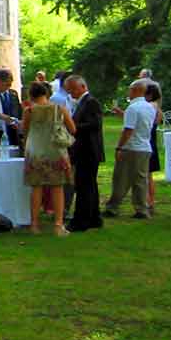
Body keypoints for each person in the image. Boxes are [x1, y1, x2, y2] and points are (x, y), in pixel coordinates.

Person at [21, 81, 76, 236]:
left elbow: (24, 131)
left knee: (36, 188)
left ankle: (34, 225)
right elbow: (73, 129)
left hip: (35, 152)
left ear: (31, 95)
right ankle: (58, 225)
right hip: (56, 152)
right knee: (57, 188)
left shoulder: (29, 111)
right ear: (47, 94)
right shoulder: (60, 109)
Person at [103, 79, 158, 219]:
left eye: (130, 89)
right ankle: (141, 209)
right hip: (145, 146)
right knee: (140, 180)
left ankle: (113, 207)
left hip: (132, 147)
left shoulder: (133, 108)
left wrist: (119, 147)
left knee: (121, 178)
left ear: (135, 90)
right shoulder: (149, 107)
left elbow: (128, 129)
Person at [63, 74, 104, 232]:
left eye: (73, 89)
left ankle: (81, 220)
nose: (71, 93)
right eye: (69, 90)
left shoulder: (91, 102)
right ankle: (94, 217)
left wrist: (73, 126)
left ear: (82, 87)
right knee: (89, 185)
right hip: (84, 150)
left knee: (84, 186)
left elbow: (94, 124)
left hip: (88, 150)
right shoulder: (81, 103)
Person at [144, 79, 163, 214]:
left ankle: (148, 201)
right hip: (152, 141)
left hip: (148, 141)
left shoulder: (150, 106)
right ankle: (150, 201)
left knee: (146, 175)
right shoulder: (157, 107)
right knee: (148, 174)